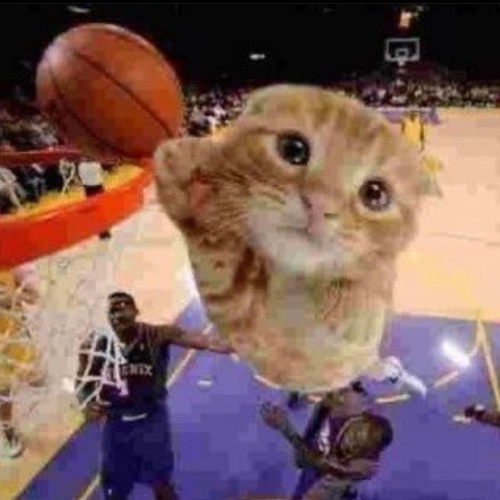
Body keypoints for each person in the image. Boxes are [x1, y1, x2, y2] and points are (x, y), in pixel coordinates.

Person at [76, 291, 234, 500]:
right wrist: (85, 404)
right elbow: (83, 382)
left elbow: (204, 340)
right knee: (113, 490)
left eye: (124, 311)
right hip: (116, 424)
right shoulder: (96, 346)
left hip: (151, 421)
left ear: (136, 312)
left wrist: (236, 345)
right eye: (113, 312)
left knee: (161, 483)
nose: (119, 317)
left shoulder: (158, 335)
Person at [261, 383, 393, 500]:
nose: (340, 390)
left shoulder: (371, 432)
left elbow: (327, 467)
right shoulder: (325, 411)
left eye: (354, 387)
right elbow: (301, 461)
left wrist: (285, 428)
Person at [0, 262, 44, 458]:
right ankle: (8, 430)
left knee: (31, 370)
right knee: (3, 391)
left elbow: (34, 297)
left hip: (14, 334)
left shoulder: (11, 261)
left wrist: (13, 297)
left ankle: (29, 373)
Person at [77, 157, 111, 239]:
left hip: (88, 189)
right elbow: (100, 172)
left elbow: (81, 178)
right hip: (98, 187)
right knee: (101, 209)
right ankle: (104, 232)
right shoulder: (96, 164)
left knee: (94, 211)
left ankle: (99, 230)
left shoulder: (81, 166)